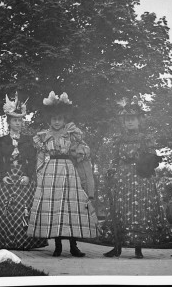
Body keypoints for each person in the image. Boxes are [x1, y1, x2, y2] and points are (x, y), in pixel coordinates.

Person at [27, 91, 98, 257]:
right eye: (54, 119)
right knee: (55, 207)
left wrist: (81, 152)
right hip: (50, 172)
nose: (57, 122)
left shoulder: (72, 134)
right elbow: (40, 156)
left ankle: (74, 246)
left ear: (64, 119)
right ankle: (57, 245)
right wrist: (40, 174)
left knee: (71, 206)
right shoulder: (43, 136)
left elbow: (84, 150)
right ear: (49, 120)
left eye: (59, 119)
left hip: (68, 171)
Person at [103, 98, 172, 259]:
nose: (129, 122)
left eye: (132, 119)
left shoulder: (145, 138)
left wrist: (145, 163)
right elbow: (115, 159)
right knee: (120, 211)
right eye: (127, 120)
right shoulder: (119, 139)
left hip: (140, 178)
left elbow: (152, 158)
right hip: (122, 179)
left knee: (138, 212)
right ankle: (117, 247)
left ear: (139, 121)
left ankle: (138, 248)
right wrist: (111, 170)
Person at [0, 92, 48, 250]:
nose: (18, 123)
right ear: (9, 122)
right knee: (5, 208)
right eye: (14, 120)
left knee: (24, 209)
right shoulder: (1, 141)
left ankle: (24, 242)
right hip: (8, 178)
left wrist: (28, 176)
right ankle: (4, 242)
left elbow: (33, 160)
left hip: (23, 178)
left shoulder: (28, 140)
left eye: (20, 120)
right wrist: (2, 176)